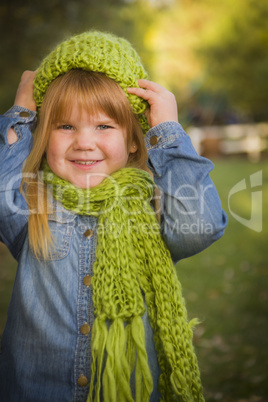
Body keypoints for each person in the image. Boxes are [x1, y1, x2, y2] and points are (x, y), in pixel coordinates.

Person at [0, 31, 227, 402]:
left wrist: (166, 130)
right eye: (65, 126)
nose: (84, 142)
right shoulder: (33, 204)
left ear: (134, 140)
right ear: (44, 133)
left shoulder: (151, 207)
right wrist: (22, 112)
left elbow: (198, 226)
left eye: (104, 126)